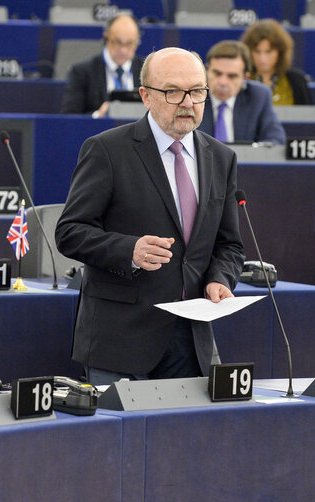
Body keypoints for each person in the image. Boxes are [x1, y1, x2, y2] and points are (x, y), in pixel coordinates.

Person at [55, 47, 244, 386]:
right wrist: (129, 251)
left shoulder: (221, 158)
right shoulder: (107, 150)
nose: (188, 102)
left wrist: (220, 279)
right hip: (120, 340)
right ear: (146, 95)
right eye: (173, 91)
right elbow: (70, 231)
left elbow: (229, 245)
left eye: (197, 91)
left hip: (191, 341)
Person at [198, 40, 285, 145]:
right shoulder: (193, 95)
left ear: (245, 77)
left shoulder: (259, 96)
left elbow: (275, 139)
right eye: (217, 73)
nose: (222, 82)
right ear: (206, 70)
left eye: (232, 76)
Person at [61, 13, 144, 117]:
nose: (123, 50)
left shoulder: (147, 71)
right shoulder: (82, 73)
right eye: (118, 42)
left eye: (129, 43)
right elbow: (69, 117)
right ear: (106, 38)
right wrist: (97, 116)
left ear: (137, 40)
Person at [241, 19, 312, 105]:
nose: (262, 58)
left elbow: (307, 115)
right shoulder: (240, 79)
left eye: (268, 52)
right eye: (257, 51)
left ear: (280, 52)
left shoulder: (297, 81)